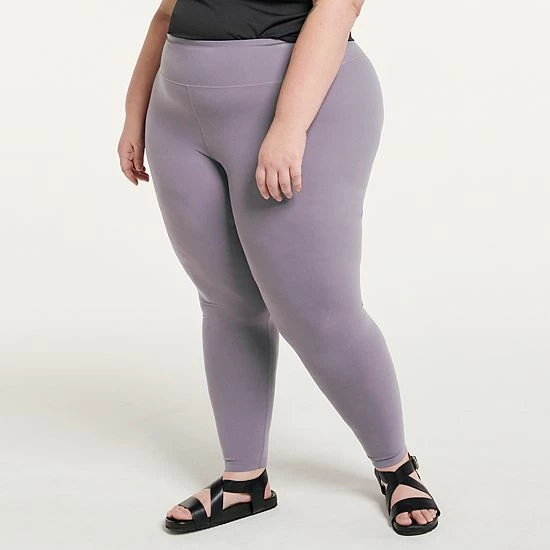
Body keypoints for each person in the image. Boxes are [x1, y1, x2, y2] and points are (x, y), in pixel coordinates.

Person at [117, 0, 441, 537]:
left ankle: (396, 465)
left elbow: (338, 8)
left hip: (297, 105)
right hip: (177, 113)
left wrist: (289, 125)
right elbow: (167, 11)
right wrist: (136, 109)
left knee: (319, 313)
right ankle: (244, 480)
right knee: (226, 302)